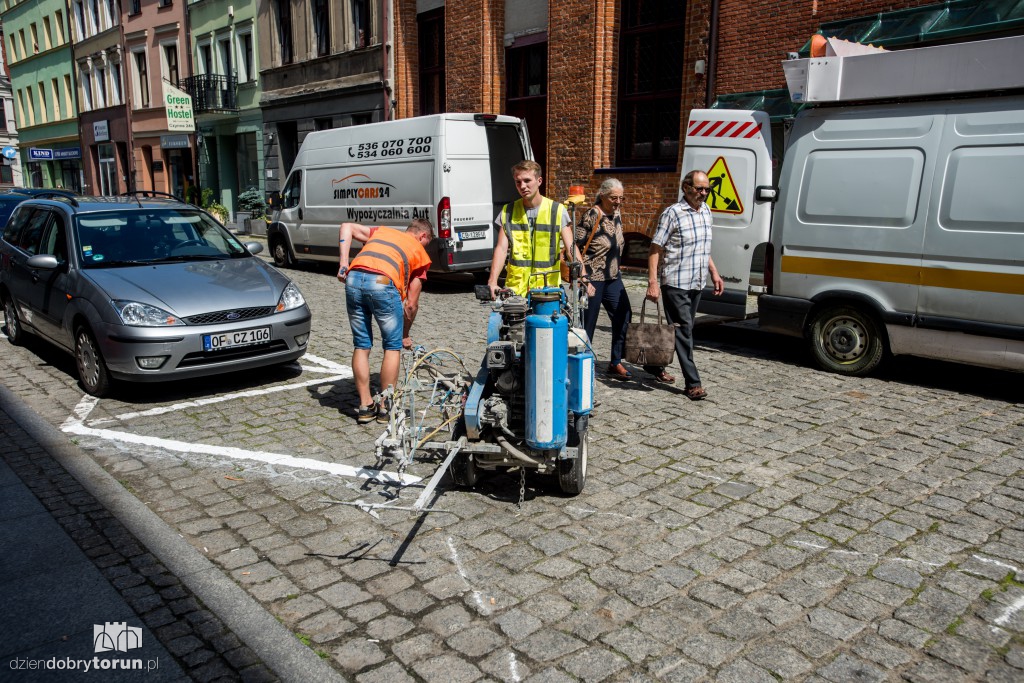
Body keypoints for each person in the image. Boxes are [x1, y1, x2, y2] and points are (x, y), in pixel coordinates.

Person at [338, 219, 433, 423]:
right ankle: (385, 407)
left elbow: (347, 226)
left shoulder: (381, 232)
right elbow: (411, 305)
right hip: (383, 283)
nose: (424, 247)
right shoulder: (420, 253)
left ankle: (365, 406)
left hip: (353, 278)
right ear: (422, 236)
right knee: (392, 346)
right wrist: (404, 335)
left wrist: (344, 263)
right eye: (427, 243)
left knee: (361, 345)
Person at [645, 170, 724, 400]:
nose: (703, 193)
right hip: (676, 283)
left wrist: (714, 272)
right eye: (699, 188)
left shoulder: (706, 211)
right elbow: (655, 248)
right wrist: (652, 282)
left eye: (707, 189)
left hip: (697, 281)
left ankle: (653, 366)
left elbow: (703, 248)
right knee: (683, 330)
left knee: (680, 329)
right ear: (686, 187)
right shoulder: (673, 213)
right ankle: (693, 383)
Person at [487, 160, 580, 299]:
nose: (522, 186)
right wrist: (492, 281)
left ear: (539, 180)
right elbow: (501, 248)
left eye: (527, 180)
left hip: (547, 289)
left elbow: (571, 247)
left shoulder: (557, 210)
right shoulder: (508, 211)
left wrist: (581, 275)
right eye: (518, 182)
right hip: (516, 290)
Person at [576, 178, 633, 379]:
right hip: (592, 277)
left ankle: (615, 361)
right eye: (614, 198)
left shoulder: (617, 213)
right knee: (587, 323)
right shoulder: (592, 214)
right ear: (603, 195)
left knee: (624, 316)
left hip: (613, 277)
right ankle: (583, 365)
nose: (618, 201)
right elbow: (574, 244)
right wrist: (583, 277)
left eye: (620, 198)